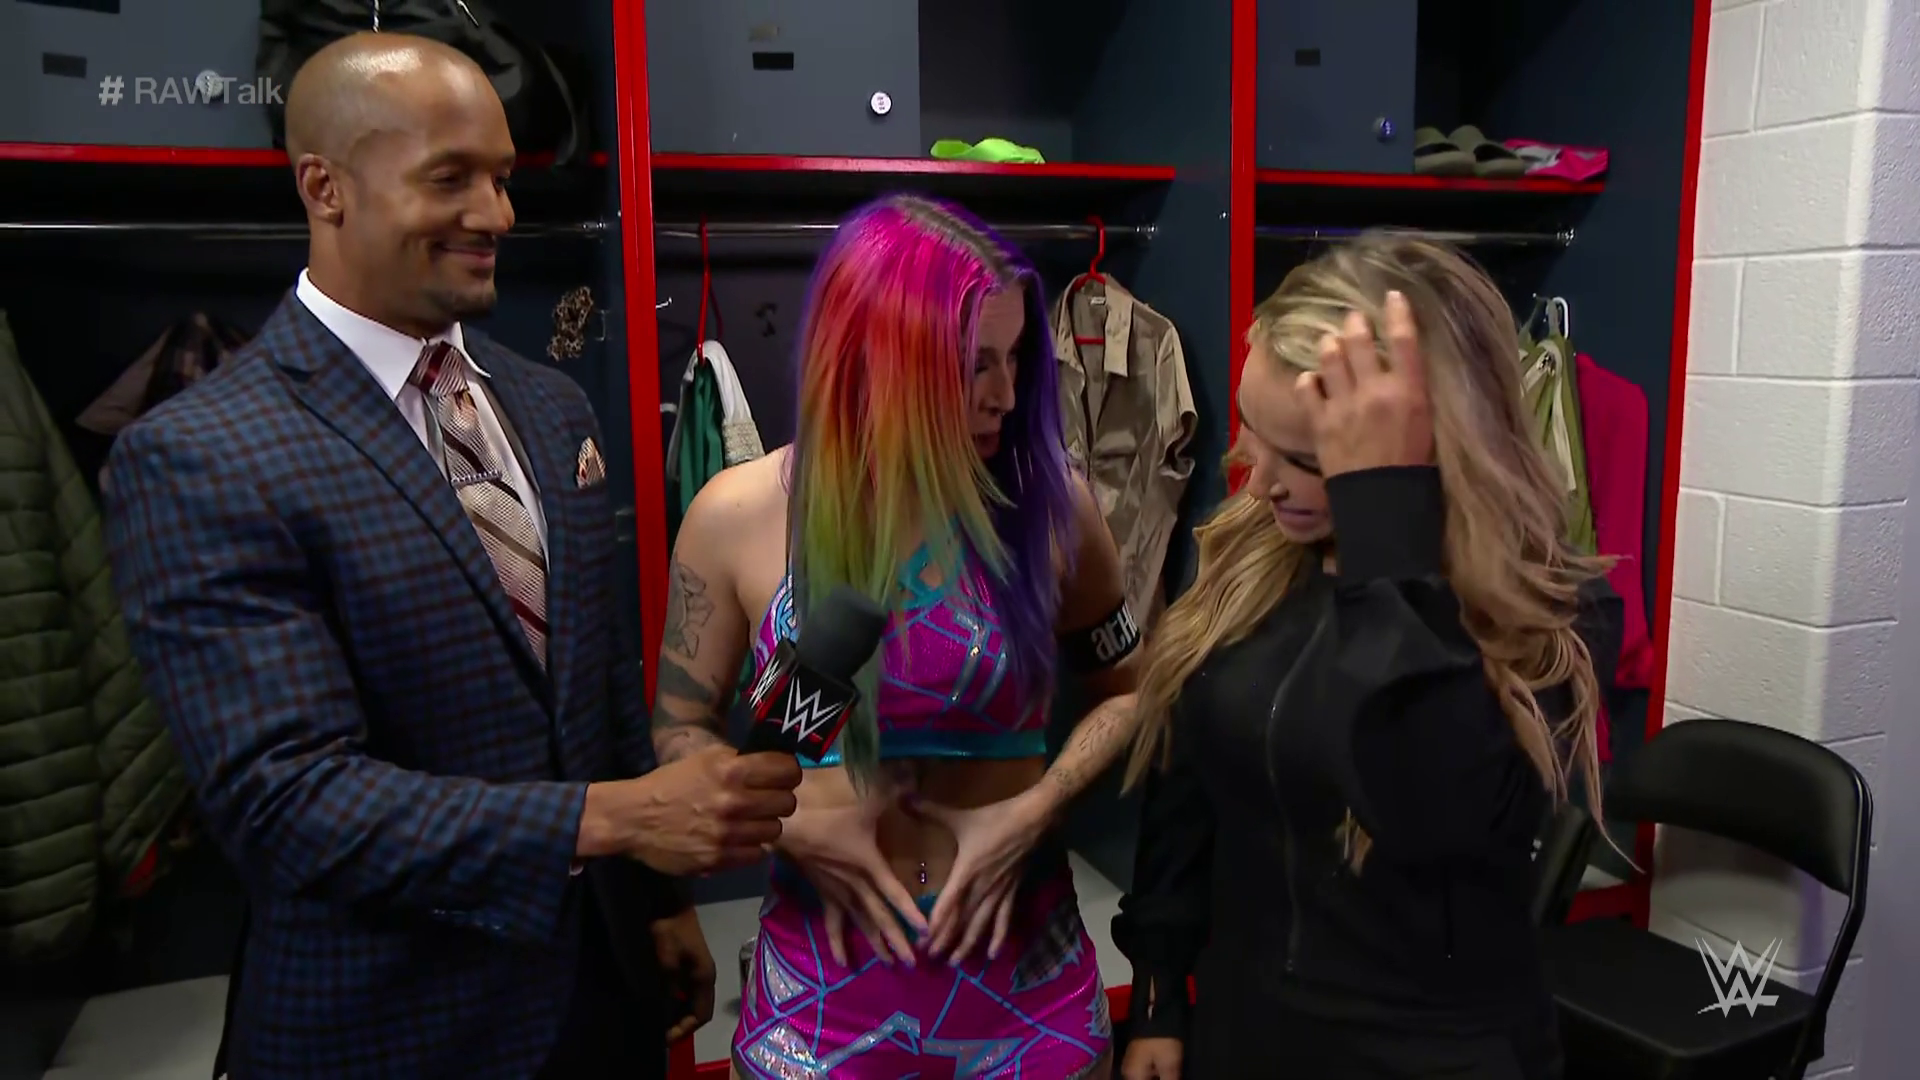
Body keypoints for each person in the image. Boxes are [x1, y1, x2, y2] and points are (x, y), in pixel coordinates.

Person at [102, 34, 802, 1079]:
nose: (498, 214)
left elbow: (598, 690)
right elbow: (288, 801)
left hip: (602, 1001)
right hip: (389, 1031)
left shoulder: (549, 405)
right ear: (325, 188)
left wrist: (657, 901)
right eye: (451, 179)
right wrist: (613, 820)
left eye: (504, 179)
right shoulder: (202, 455)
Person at [652, 193, 1142, 1079]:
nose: (1005, 395)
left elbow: (1133, 693)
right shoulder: (737, 517)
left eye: (1015, 359)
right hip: (818, 1005)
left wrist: (1039, 807)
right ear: (874, 357)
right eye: (973, 364)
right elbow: (678, 733)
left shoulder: (1050, 507)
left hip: (1028, 992)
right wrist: (794, 831)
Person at [1114, 234, 1623, 1080]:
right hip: (1247, 1034)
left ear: (1425, 447)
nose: (1259, 481)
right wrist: (1159, 995)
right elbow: (1190, 783)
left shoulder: (1549, 617)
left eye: (1306, 458)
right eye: (1253, 431)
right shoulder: (1256, 553)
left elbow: (1428, 813)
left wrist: (1386, 526)